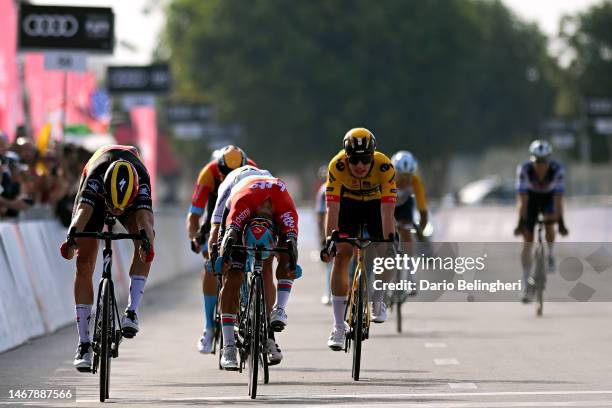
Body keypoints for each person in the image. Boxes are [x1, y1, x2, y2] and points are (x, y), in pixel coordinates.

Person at [59, 145, 155, 372]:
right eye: (113, 208)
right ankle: (83, 344)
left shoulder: (140, 182)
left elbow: (145, 221)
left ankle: (132, 310)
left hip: (130, 190)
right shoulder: (95, 180)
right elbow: (81, 214)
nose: (116, 212)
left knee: (144, 242)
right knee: (83, 263)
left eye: (119, 209)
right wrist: (71, 240)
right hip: (97, 186)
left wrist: (148, 246)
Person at [320, 128, 397, 350]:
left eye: (365, 160)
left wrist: (388, 240)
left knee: (386, 255)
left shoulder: (384, 166)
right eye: (355, 160)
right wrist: (330, 240)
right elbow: (332, 208)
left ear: (372, 156)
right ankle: (337, 325)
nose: (360, 166)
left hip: (375, 205)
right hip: (348, 206)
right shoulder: (337, 165)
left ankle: (378, 297)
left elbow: (387, 210)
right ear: (346, 157)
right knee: (342, 255)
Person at [217, 175, 299, 370]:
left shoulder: (284, 205)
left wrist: (290, 259)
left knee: (286, 257)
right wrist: (224, 260)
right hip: (238, 210)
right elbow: (229, 234)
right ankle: (228, 346)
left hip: (273, 207)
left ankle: (277, 314)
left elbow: (292, 246)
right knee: (232, 276)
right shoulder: (243, 202)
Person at [187, 145, 257, 354]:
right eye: (226, 175)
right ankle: (209, 327)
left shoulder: (252, 169)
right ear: (219, 170)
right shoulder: (208, 173)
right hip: (215, 218)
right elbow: (194, 215)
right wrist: (195, 238)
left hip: (242, 215)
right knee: (210, 265)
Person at [514, 140, 568, 302]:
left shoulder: (557, 170)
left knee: (550, 223)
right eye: (537, 160)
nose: (540, 165)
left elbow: (558, 200)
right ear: (531, 159)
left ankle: (550, 254)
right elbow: (522, 200)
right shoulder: (524, 170)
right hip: (531, 199)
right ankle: (526, 284)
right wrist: (520, 222)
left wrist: (561, 222)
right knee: (527, 241)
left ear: (549, 160)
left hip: (549, 198)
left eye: (544, 161)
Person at [390, 151, 428, 242]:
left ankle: (409, 255)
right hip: (388, 204)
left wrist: (420, 230)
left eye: (408, 177)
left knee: (406, 232)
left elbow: (423, 210)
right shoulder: (387, 179)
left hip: (405, 204)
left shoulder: (416, 181)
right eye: (401, 177)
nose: (404, 181)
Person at [315, 165, 332, 305]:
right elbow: (320, 215)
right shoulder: (323, 190)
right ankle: (329, 291)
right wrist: (322, 236)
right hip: (329, 225)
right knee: (330, 262)